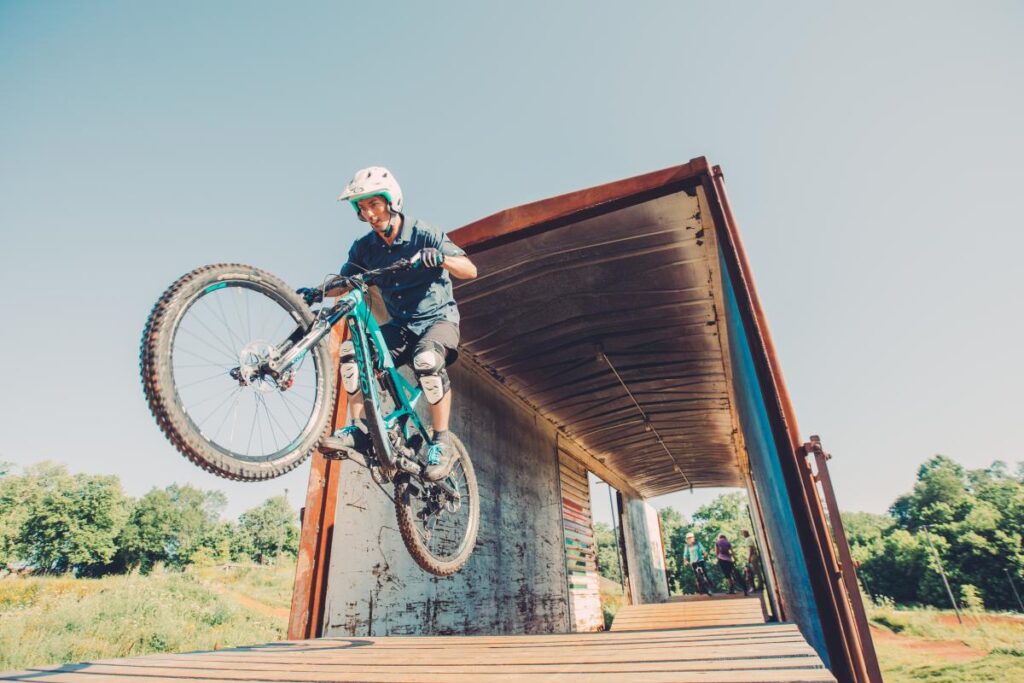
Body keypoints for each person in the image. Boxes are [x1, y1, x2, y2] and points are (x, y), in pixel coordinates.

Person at [299, 166, 478, 481]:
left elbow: (469, 269)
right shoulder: (365, 248)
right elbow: (346, 281)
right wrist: (318, 292)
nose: (369, 213)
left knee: (427, 360)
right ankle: (359, 429)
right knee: (353, 353)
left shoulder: (424, 233)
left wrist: (440, 258)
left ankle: (441, 440)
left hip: (437, 320)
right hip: (401, 326)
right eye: (362, 208)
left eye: (374, 204)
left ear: (391, 200)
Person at [682, 531, 713, 596]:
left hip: (700, 560)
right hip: (693, 562)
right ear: (687, 539)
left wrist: (705, 553)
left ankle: (709, 589)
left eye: (691, 538)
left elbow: (703, 549)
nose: (690, 539)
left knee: (705, 573)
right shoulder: (687, 546)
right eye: (688, 538)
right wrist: (685, 561)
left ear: (693, 538)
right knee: (697, 576)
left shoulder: (698, 543)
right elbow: (685, 555)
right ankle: (700, 589)